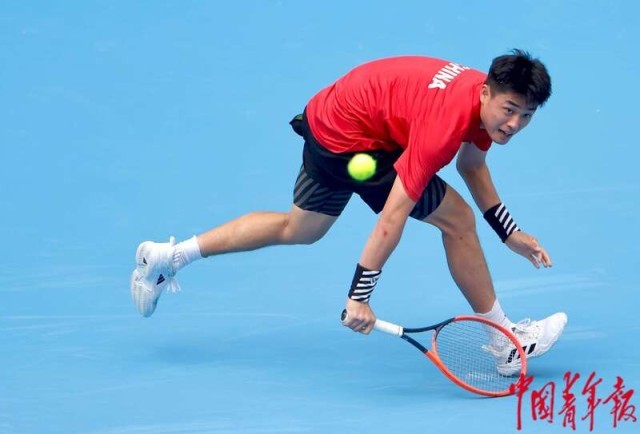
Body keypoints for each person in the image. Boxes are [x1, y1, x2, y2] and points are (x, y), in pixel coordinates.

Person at [130, 49, 567, 374]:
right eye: (509, 111)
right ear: (487, 93)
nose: (514, 124)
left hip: (329, 117)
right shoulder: (443, 125)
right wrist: (360, 297)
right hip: (351, 142)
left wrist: (509, 232)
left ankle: (171, 257)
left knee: (299, 228)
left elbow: (471, 165)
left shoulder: (483, 101)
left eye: (526, 116)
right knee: (458, 221)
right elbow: (392, 217)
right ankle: (505, 343)